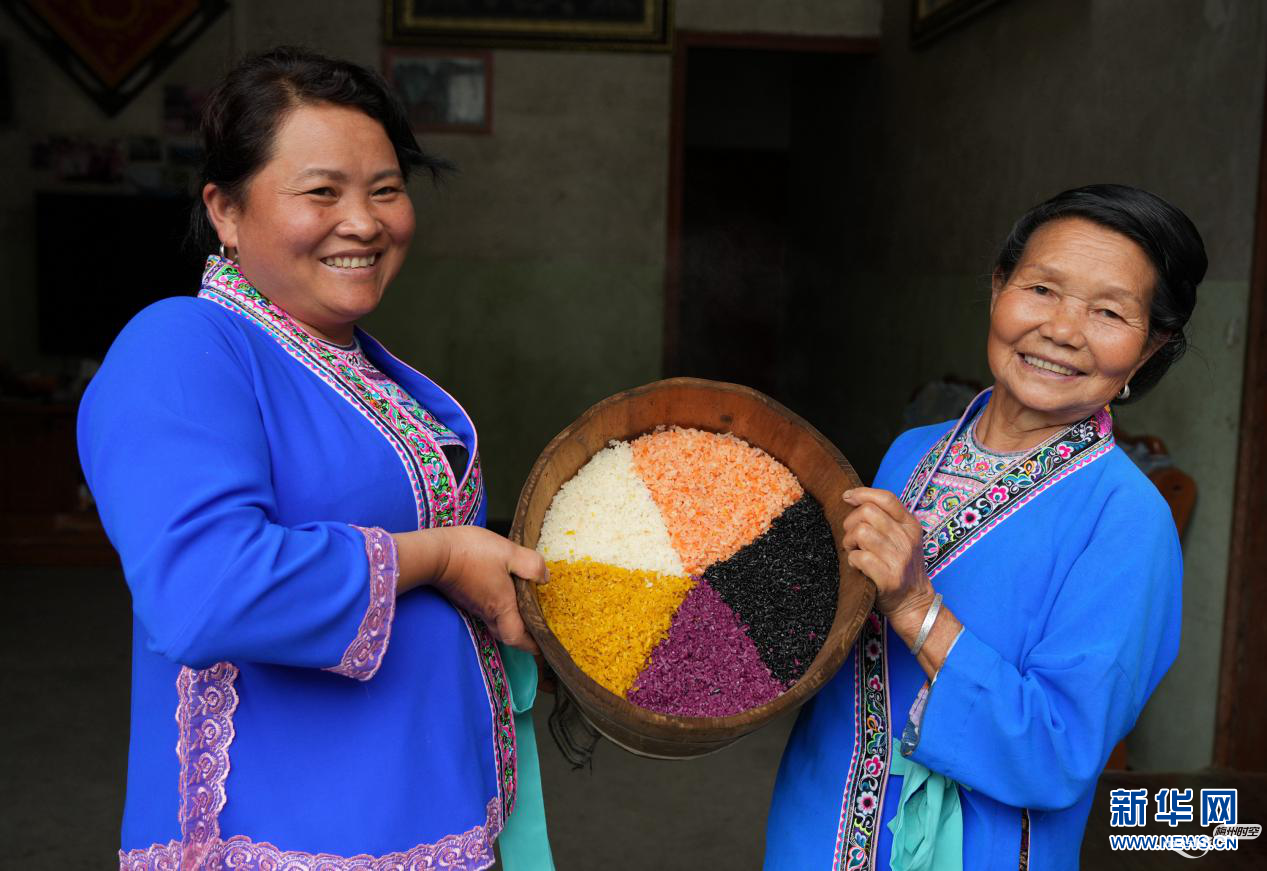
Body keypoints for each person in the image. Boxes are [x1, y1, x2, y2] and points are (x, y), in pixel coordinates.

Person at [78, 47, 554, 870]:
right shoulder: (182, 346)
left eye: (386, 189)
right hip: (288, 835)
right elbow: (204, 589)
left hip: (421, 818)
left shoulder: (360, 368)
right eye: (321, 191)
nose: (364, 220)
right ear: (225, 211)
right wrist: (440, 554)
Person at [765, 184, 1206, 870]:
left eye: (1108, 311)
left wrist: (915, 607)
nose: (1061, 328)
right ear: (997, 287)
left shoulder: (1127, 518)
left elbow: (1060, 752)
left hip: (977, 847)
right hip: (817, 817)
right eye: (1040, 289)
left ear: (1149, 349)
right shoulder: (914, 449)